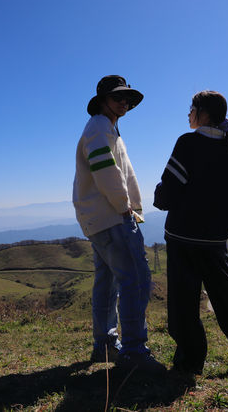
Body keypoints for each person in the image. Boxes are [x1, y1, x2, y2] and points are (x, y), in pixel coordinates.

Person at [154, 90, 228, 376]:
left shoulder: (187, 143)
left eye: (191, 109)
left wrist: (158, 197)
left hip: (182, 238)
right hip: (215, 241)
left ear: (203, 114)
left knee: (184, 306)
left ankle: (189, 364)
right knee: (227, 302)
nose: (188, 114)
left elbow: (168, 191)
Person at [73, 75, 165, 373]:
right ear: (102, 101)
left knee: (108, 283)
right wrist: (124, 207)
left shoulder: (106, 128)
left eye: (127, 99)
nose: (123, 103)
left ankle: (105, 344)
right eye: (117, 98)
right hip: (113, 216)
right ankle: (134, 349)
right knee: (136, 281)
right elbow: (105, 170)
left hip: (98, 218)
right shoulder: (100, 126)